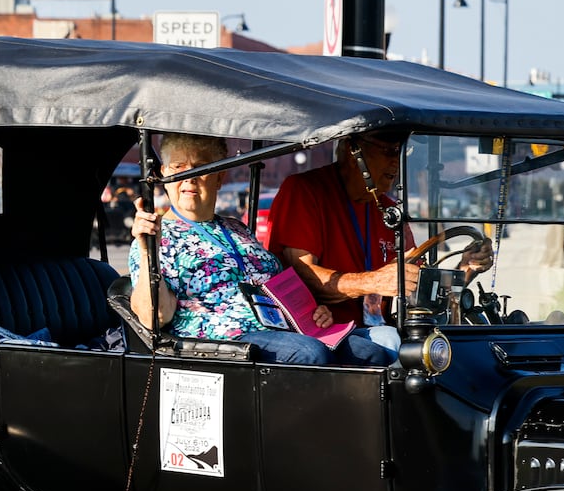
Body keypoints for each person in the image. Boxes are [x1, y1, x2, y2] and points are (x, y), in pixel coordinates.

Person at [129, 134, 393, 366]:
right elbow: (155, 317)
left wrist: (315, 310)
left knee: (370, 353)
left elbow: (279, 285)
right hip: (225, 341)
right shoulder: (156, 237)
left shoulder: (237, 229)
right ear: (164, 174)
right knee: (309, 354)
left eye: (201, 168)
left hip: (285, 330)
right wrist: (146, 251)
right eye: (179, 168)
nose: (189, 178)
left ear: (220, 177)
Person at [268, 132, 494, 353]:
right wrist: (373, 281)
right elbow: (303, 275)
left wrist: (466, 268)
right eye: (388, 151)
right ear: (352, 151)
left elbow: (418, 286)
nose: (396, 161)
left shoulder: (387, 209)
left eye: (401, 152)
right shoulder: (305, 190)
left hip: (376, 327)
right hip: (324, 331)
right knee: (388, 342)